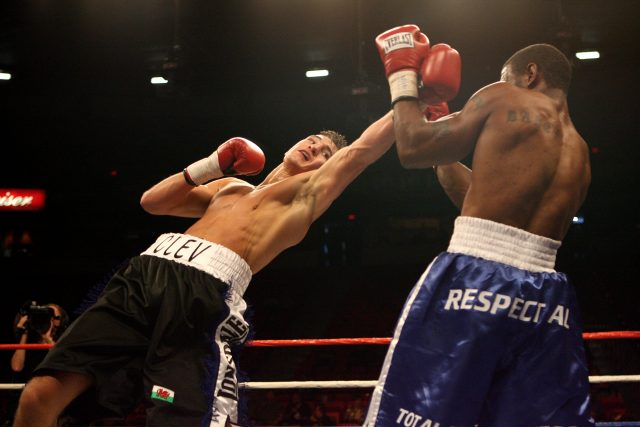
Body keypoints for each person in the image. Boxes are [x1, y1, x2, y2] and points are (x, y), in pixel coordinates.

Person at [13, 111, 395, 427]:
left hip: (201, 293)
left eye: (326, 151)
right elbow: (152, 202)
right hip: (142, 275)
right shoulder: (230, 186)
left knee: (182, 418)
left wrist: (406, 91)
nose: (315, 146)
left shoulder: (303, 198)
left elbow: (360, 152)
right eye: (313, 138)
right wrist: (213, 164)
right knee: (39, 395)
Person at [365, 24, 593, 426]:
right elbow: (479, 198)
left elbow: (412, 146)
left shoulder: (503, 96)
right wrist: (441, 134)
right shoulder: (579, 153)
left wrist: (402, 79)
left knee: (416, 414)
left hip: (473, 279)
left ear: (530, 74)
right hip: (546, 299)